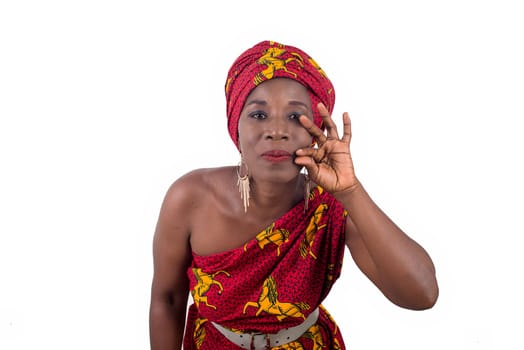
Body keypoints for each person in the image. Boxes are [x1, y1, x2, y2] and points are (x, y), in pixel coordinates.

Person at [149, 40, 438, 350]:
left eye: (294, 117)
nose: (276, 130)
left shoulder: (331, 207)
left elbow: (422, 295)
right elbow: (168, 299)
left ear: (315, 130)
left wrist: (351, 192)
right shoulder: (189, 198)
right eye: (259, 115)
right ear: (236, 126)